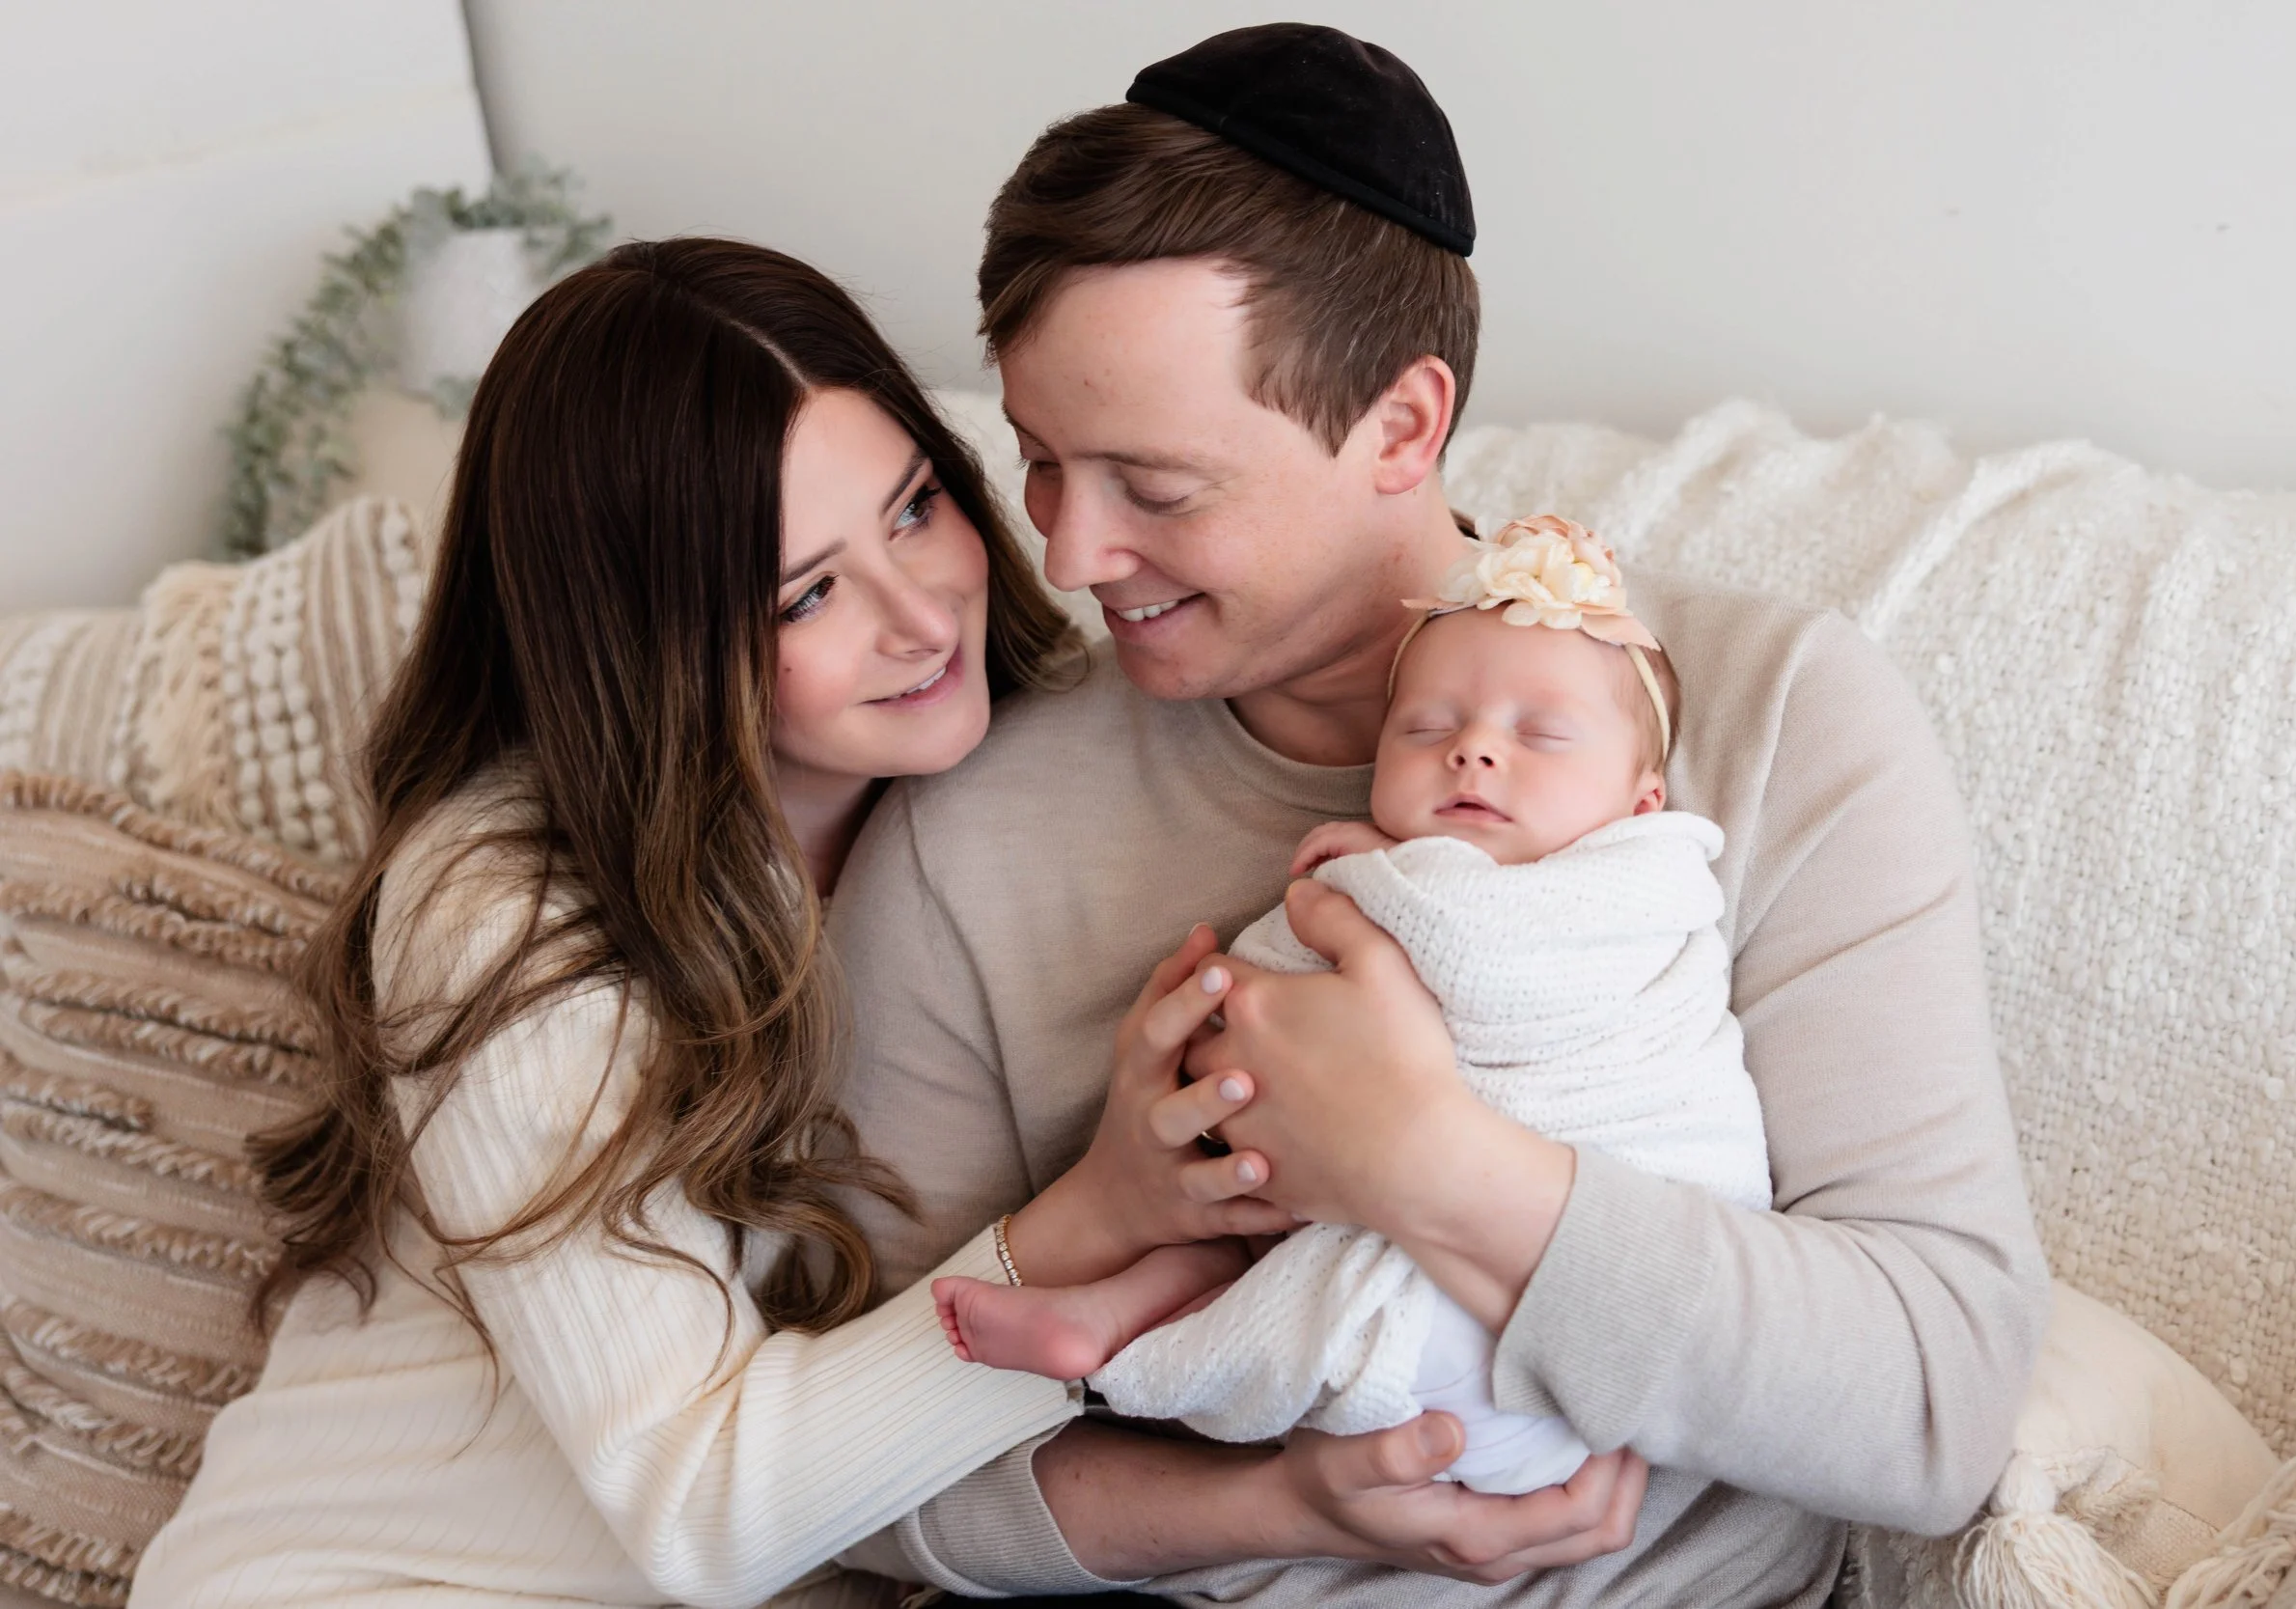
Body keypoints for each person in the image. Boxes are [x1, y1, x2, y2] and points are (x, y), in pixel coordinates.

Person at [128, 237, 1643, 1609]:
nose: (922, 614)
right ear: (654, 653)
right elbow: (703, 1508)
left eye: (916, 506)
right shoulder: (505, 908)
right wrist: (1100, 1219)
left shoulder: (1015, 763)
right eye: (804, 596)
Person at [831, 22, 2052, 1608]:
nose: (1067, 556)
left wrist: (1416, 1156)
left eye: (1156, 483)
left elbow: (1937, 1405)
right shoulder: (970, 830)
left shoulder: (1771, 719)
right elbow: (845, 1460)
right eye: (1041, 462)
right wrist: (1280, 1500)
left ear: (1404, 425)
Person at [932, 515, 1772, 1501]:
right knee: (1244, 1231)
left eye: (1538, 734)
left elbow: (1499, 975)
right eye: (1427, 728)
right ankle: (1111, 1324)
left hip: (1542, 1342)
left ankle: (1142, 1355)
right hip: (1375, 1268)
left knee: (1319, 1269)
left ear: (1641, 803)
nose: (1473, 753)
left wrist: (1383, 890)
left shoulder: (1637, 887)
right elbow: (1264, 1012)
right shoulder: (1380, 874)